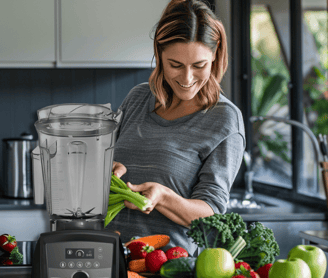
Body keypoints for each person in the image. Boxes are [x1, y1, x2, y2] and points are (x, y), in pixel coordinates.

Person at [108, 0, 245, 256]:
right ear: (159, 54)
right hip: (107, 258)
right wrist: (105, 169)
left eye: (199, 66)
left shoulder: (224, 119)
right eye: (176, 65)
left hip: (166, 266)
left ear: (215, 56)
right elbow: (100, 163)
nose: (187, 78)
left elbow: (211, 213)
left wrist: (163, 197)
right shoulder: (137, 98)